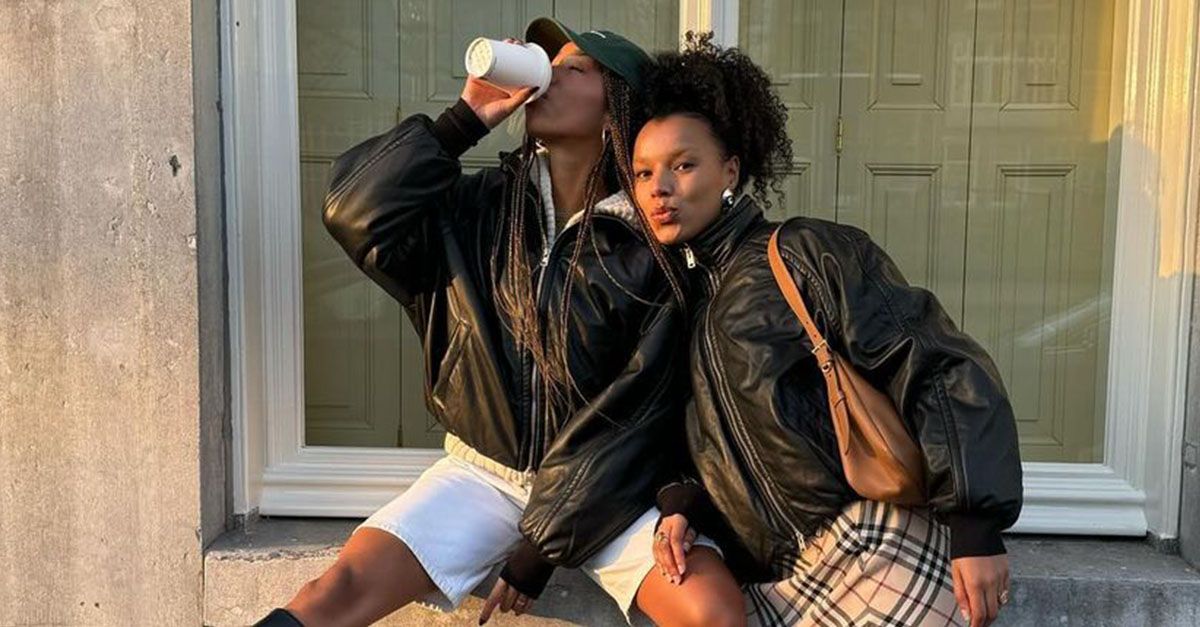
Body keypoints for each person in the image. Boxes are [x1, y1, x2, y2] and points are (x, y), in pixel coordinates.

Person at [252, 19, 745, 627]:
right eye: (548, 64)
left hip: (607, 490)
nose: (548, 76)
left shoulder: (652, 249)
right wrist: (465, 119)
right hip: (482, 474)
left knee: (713, 611)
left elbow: (640, 416)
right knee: (333, 592)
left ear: (617, 109)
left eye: (574, 69)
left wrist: (546, 541)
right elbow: (352, 211)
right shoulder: (476, 210)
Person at [631, 34, 1023, 627]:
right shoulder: (681, 303)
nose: (659, 187)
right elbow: (706, 441)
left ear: (730, 169)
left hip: (869, 546)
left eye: (683, 165)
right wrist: (683, 502)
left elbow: (932, 362)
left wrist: (974, 525)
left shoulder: (801, 254)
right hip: (774, 586)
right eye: (643, 172)